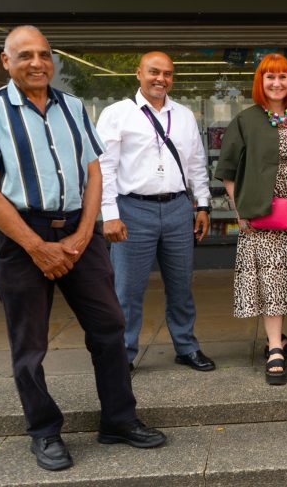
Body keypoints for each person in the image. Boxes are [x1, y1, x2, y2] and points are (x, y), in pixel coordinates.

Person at [0, 26, 165, 471]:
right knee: (29, 343)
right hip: (22, 238)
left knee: (109, 327)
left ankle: (118, 419)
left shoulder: (72, 105)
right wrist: (38, 246)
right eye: (25, 55)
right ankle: (44, 431)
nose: (37, 62)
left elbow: (94, 171)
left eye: (44, 54)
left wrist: (82, 233)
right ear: (6, 61)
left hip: (79, 232)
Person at [96, 51, 214, 372]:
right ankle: (124, 354)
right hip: (132, 209)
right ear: (138, 73)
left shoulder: (184, 115)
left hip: (177, 208)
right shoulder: (117, 114)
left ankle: (186, 346)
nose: (161, 78)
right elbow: (105, 168)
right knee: (127, 290)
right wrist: (109, 214)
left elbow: (196, 165)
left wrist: (202, 205)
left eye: (167, 73)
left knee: (181, 286)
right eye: (154, 72)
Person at [215, 53, 287, 385]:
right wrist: (240, 211)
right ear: (260, 83)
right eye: (269, 77)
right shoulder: (246, 121)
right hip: (261, 213)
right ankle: (274, 347)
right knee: (269, 278)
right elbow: (228, 172)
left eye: (283, 77)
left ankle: (280, 337)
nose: (276, 83)